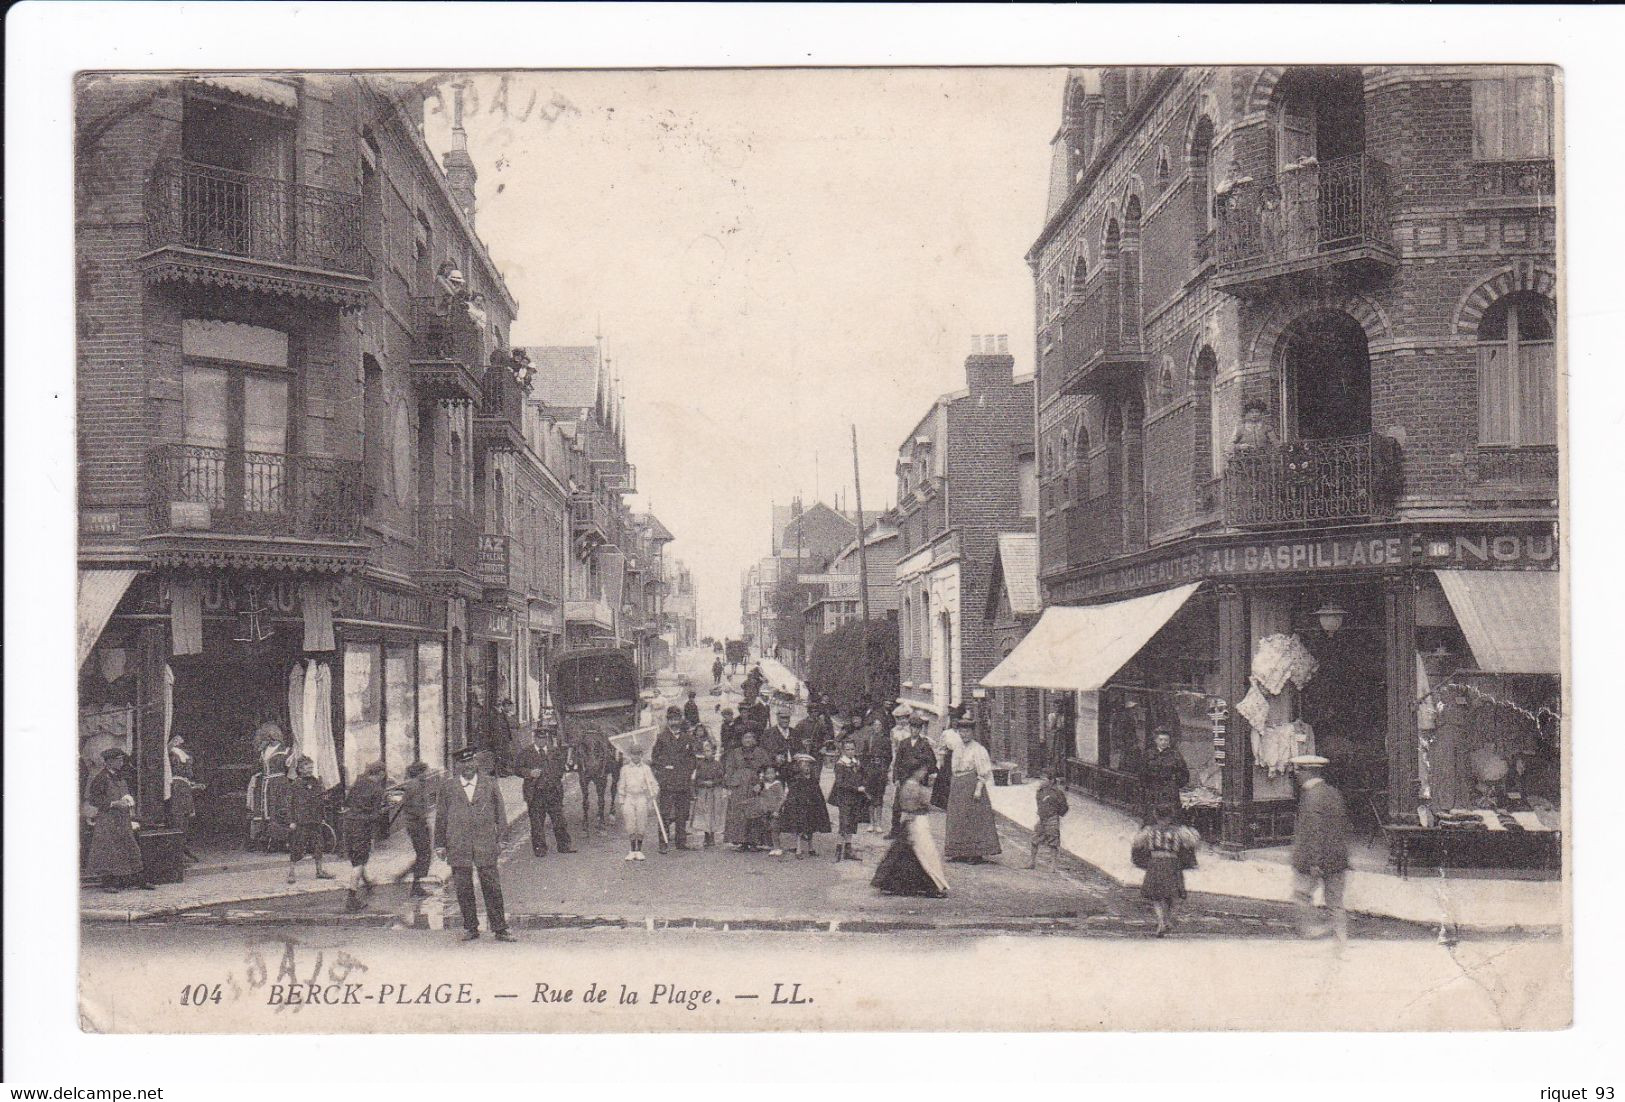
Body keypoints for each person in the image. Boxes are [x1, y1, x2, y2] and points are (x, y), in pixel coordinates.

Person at [435, 747, 514, 941]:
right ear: (457, 766)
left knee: (492, 886)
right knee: (463, 887)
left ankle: (500, 928)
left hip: (485, 843)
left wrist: (502, 838)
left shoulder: (489, 783)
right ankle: (471, 927)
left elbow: (500, 812)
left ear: (476, 763)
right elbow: (441, 816)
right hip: (458, 844)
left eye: (471, 762)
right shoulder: (448, 787)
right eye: (463, 763)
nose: (468, 767)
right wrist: (440, 844)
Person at [1289, 754, 1350, 945]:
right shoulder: (1333, 792)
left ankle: (1310, 933)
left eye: (1298, 771)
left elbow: (1314, 831)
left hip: (1314, 860)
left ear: (1306, 772)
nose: (1296, 775)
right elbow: (1343, 826)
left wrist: (1315, 862)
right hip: (1337, 859)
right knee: (1335, 904)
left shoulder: (1310, 797)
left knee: (1300, 896)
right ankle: (1341, 940)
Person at [872, 761, 949, 898]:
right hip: (917, 821)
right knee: (925, 854)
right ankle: (932, 886)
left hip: (913, 820)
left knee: (907, 854)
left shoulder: (909, 785)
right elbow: (914, 805)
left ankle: (897, 884)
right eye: (922, 770)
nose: (924, 773)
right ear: (916, 771)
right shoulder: (912, 786)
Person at [86, 748, 152, 892]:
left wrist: (129, 800)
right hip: (108, 820)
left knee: (130, 847)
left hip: (123, 818)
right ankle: (109, 883)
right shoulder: (101, 778)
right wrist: (113, 803)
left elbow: (125, 793)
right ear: (109, 762)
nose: (121, 762)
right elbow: (93, 799)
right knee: (110, 850)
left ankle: (137, 880)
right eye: (119, 760)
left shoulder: (120, 776)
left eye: (121, 760)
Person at [1131, 805, 1200, 936]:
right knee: (1171, 894)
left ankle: (1161, 921)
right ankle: (1167, 920)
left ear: (1156, 816)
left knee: (1156, 895)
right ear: (1171, 816)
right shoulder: (1179, 831)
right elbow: (1191, 843)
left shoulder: (1150, 830)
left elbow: (1137, 843)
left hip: (1155, 862)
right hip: (1172, 863)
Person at [944, 714, 1001, 863]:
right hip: (958, 786)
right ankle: (958, 851)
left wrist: (978, 789)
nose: (964, 735)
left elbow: (984, 771)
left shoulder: (979, 749)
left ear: (972, 733)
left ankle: (974, 853)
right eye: (961, 732)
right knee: (957, 818)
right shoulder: (957, 748)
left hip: (972, 786)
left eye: (967, 732)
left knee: (973, 819)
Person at [513, 726, 575, 856]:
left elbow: (561, 767)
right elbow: (517, 769)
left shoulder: (554, 752)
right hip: (535, 793)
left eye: (544, 739)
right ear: (535, 739)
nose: (542, 741)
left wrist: (559, 772)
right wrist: (529, 773)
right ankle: (540, 848)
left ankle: (564, 845)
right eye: (539, 739)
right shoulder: (526, 752)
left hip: (553, 791)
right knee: (537, 822)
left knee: (559, 820)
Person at [341, 761, 388, 911]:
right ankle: (351, 898)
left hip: (348, 823)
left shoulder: (359, 781)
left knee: (356, 858)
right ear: (380, 773)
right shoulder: (378, 789)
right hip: (362, 826)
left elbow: (347, 802)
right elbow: (375, 815)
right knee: (359, 862)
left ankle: (367, 882)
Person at [651, 706, 698, 852]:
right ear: (667, 720)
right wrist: (664, 771)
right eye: (671, 720)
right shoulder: (661, 738)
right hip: (668, 782)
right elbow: (655, 759)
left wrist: (687, 771)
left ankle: (681, 842)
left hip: (683, 782)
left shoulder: (687, 738)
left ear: (681, 719)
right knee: (664, 813)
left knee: (682, 813)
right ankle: (663, 842)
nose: (674, 722)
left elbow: (692, 758)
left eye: (677, 719)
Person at [283, 756, 335, 884]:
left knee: (318, 845)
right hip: (301, 821)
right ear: (300, 769)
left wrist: (325, 799)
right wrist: (291, 821)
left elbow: (321, 800)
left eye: (311, 767)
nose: (310, 769)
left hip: (315, 819)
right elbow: (289, 804)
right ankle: (291, 872)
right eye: (307, 767)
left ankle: (319, 871)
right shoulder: (295, 784)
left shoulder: (316, 782)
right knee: (297, 845)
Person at [892, 712, 938, 838]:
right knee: (897, 806)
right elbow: (897, 762)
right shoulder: (904, 743)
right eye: (912, 728)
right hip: (903, 778)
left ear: (920, 729)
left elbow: (932, 762)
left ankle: (915, 833)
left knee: (915, 807)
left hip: (916, 780)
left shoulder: (924, 744)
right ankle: (894, 831)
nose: (914, 731)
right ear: (909, 728)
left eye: (917, 728)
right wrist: (895, 778)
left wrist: (923, 772)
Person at [777, 752, 831, 859]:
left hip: (811, 806)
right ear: (798, 766)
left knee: (811, 826)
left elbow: (817, 794)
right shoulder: (796, 780)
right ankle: (798, 848)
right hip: (800, 806)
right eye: (803, 764)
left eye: (808, 765)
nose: (806, 767)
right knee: (799, 826)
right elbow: (793, 794)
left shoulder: (813, 780)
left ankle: (810, 847)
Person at [722, 732, 768, 848]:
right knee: (739, 812)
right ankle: (741, 841)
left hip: (754, 786)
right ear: (741, 739)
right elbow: (729, 769)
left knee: (755, 811)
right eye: (745, 737)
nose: (748, 740)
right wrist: (729, 786)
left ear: (754, 739)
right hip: (739, 787)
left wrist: (761, 784)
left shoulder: (761, 752)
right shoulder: (734, 752)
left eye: (751, 737)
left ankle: (754, 842)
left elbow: (766, 769)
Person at [396, 760, 433, 897]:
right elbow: (417, 808)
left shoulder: (415, 784)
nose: (428, 773)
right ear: (420, 773)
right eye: (426, 771)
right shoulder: (415, 785)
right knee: (424, 855)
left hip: (415, 824)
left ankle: (406, 876)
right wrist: (424, 819)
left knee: (423, 854)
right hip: (417, 825)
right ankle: (416, 886)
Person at [618, 745, 660, 861]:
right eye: (633, 754)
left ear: (641, 755)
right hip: (629, 798)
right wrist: (622, 801)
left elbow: (654, 785)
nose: (635, 756)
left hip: (641, 798)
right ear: (630, 755)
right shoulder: (625, 769)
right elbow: (621, 785)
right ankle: (632, 850)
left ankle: (639, 850)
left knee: (641, 823)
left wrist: (651, 794)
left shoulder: (646, 769)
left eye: (638, 754)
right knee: (630, 823)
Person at [829, 739, 869, 862]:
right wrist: (856, 788)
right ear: (843, 750)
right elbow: (840, 783)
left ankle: (848, 849)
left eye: (852, 749)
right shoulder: (840, 764)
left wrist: (864, 784)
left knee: (852, 822)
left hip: (855, 798)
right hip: (845, 798)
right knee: (844, 823)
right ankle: (838, 851)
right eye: (847, 749)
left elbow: (863, 776)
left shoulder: (856, 762)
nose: (850, 751)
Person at [1141, 727, 1191, 823]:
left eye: (1166, 740)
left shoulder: (1175, 755)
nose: (1163, 742)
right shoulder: (1149, 754)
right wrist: (1147, 786)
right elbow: (1142, 772)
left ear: (1169, 741)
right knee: (1152, 817)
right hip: (1153, 789)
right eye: (1161, 740)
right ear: (1156, 740)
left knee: (1171, 816)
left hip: (1169, 790)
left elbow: (1184, 773)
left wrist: (1175, 784)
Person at [166, 734, 202, 862]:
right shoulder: (172, 753)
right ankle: (178, 851)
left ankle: (183, 848)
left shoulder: (182, 754)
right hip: (178, 789)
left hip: (184, 787)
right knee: (179, 819)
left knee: (185, 819)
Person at [1029, 768, 1070, 872]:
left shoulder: (1057, 792)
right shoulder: (1040, 791)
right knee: (1034, 839)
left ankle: (1053, 866)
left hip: (1052, 819)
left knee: (1053, 842)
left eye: (1044, 779)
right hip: (1042, 819)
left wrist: (1056, 814)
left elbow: (1064, 807)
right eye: (1041, 779)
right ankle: (1032, 862)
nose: (1041, 781)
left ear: (1051, 781)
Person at [857, 713, 893, 833]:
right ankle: (871, 822)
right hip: (871, 770)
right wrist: (866, 769)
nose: (877, 727)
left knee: (879, 797)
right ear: (872, 726)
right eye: (875, 725)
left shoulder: (886, 740)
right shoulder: (869, 739)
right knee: (870, 796)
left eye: (879, 725)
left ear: (882, 727)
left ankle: (878, 823)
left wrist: (884, 769)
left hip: (881, 770)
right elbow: (864, 756)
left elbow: (889, 757)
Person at [689, 737, 727, 848]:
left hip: (715, 791)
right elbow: (696, 779)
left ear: (714, 752)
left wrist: (714, 782)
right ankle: (706, 835)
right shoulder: (700, 765)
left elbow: (722, 778)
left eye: (709, 751)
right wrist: (702, 784)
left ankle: (713, 835)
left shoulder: (718, 764)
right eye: (705, 751)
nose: (707, 753)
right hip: (704, 791)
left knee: (715, 812)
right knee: (705, 812)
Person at [751, 765, 788, 853]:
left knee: (774, 828)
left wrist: (777, 810)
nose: (770, 776)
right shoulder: (763, 784)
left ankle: (777, 848)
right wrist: (758, 787)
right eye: (767, 774)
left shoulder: (777, 784)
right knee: (766, 827)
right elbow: (758, 794)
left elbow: (782, 798)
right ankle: (770, 845)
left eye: (772, 773)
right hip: (765, 809)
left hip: (774, 809)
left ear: (776, 774)